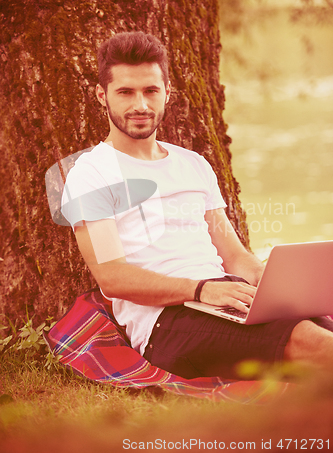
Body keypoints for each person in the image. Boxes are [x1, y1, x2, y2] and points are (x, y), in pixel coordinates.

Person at [61, 31, 333, 380]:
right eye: (126, 92)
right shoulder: (91, 174)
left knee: (321, 326)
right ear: (102, 95)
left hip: (224, 299)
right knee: (313, 343)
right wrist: (202, 289)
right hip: (166, 323)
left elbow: (235, 258)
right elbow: (112, 279)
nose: (140, 105)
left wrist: (276, 287)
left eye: (151, 91)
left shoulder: (193, 164)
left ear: (167, 93)